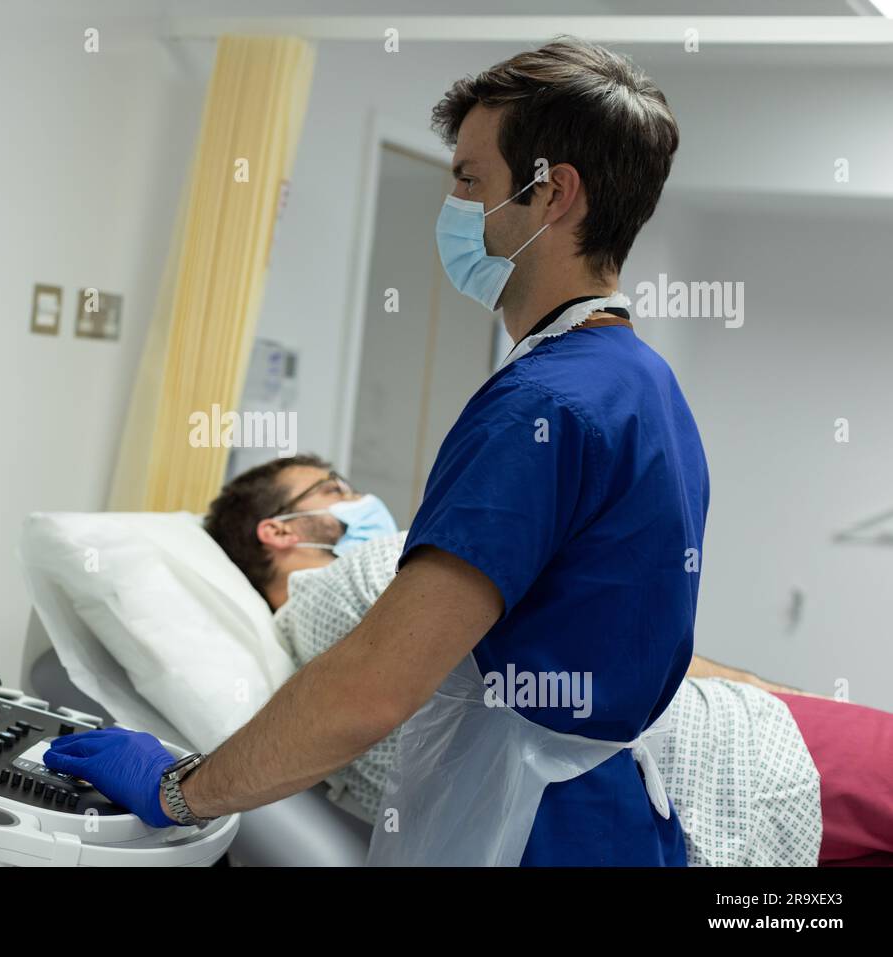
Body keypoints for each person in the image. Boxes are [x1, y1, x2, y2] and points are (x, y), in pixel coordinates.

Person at [47, 37, 709, 865]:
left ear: (553, 194)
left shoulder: (542, 405)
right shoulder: (647, 386)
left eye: (470, 179)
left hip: (528, 832)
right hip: (616, 824)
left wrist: (177, 787)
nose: (454, 204)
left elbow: (373, 688)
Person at [203, 455, 893, 866]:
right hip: (741, 752)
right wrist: (761, 687)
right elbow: (600, 643)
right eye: (331, 487)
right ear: (281, 530)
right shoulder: (367, 576)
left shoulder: (311, 668)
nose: (358, 499)